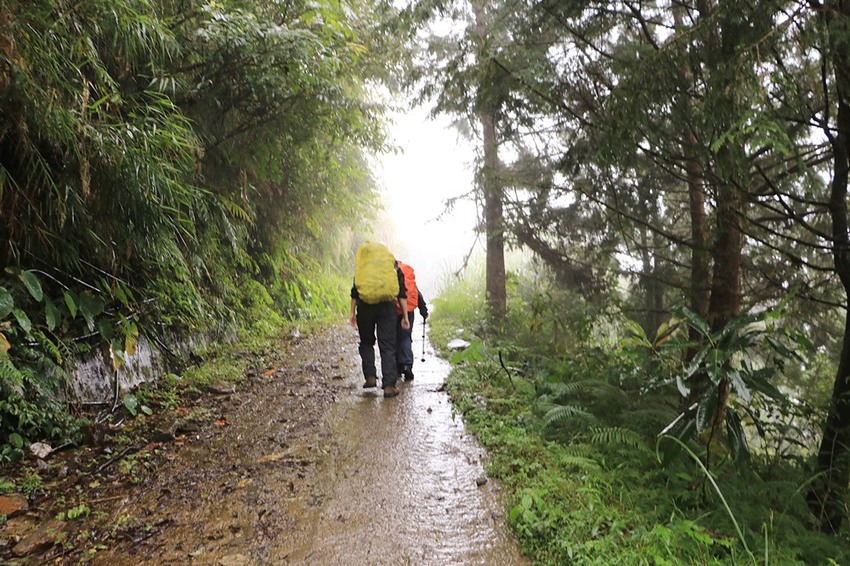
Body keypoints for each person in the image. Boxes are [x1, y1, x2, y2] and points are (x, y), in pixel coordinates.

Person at [349, 243, 410, 398]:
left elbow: (355, 291)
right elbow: (401, 293)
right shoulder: (392, 266)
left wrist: (352, 313)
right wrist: (405, 316)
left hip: (365, 307)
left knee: (366, 342)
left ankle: (370, 377)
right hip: (386, 307)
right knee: (388, 346)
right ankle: (389, 386)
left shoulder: (364, 266)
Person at [395, 260, 428, 381]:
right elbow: (416, 293)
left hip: (392, 309)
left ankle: (397, 366)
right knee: (405, 337)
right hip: (408, 309)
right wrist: (423, 310)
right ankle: (407, 365)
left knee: (393, 338)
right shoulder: (407, 274)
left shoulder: (388, 272)